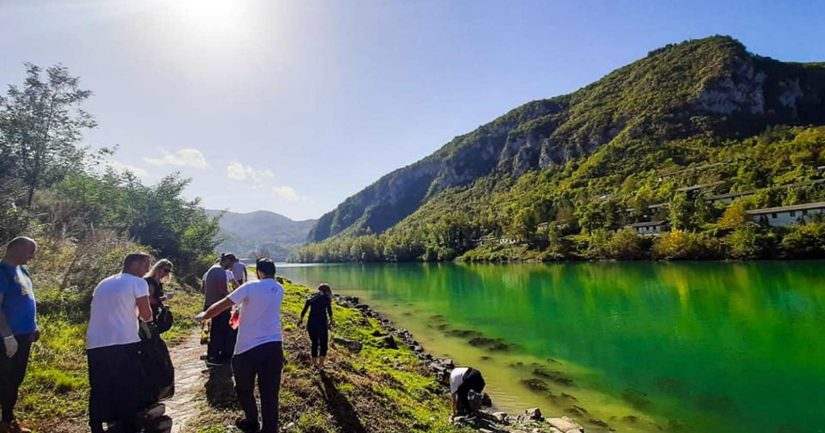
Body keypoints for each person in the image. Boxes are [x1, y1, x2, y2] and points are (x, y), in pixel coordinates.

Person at [196, 258, 284, 433]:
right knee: (270, 393)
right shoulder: (279, 288)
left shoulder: (250, 287)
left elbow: (223, 304)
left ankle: (252, 421)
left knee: (244, 388)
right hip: (274, 346)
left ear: (259, 271)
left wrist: (205, 315)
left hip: (247, 348)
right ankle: (270, 428)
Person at [86, 252, 154, 433]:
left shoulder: (104, 282)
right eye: (146, 264)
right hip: (124, 340)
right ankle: (128, 424)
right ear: (134, 264)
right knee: (127, 383)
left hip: (95, 341)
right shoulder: (138, 283)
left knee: (99, 385)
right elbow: (147, 315)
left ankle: (96, 424)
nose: (148, 269)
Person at [0, 237, 38, 433]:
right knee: (5, 379)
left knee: (16, 378)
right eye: (30, 251)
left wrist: (34, 326)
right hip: (7, 337)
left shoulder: (23, 270)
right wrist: (7, 336)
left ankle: (8, 418)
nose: (32, 256)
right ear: (15, 249)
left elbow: (28, 299)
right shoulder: (2, 272)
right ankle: (6, 422)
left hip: (24, 336)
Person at [141, 259, 175, 402]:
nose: (165, 273)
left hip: (153, 319)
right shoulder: (148, 282)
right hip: (146, 321)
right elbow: (147, 300)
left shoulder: (156, 283)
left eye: (168, 271)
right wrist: (164, 298)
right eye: (164, 270)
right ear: (158, 268)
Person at [202, 253, 237, 365]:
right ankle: (214, 357)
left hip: (211, 304)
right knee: (219, 332)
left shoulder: (213, 269)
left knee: (216, 331)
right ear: (226, 260)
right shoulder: (219, 271)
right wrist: (233, 299)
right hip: (217, 306)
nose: (231, 266)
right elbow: (222, 290)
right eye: (231, 263)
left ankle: (215, 355)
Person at [297, 284, 334, 369]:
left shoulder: (311, 298)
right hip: (322, 324)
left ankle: (314, 364)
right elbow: (329, 311)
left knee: (314, 343)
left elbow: (304, 310)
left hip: (311, 323)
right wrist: (332, 321)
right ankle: (321, 364)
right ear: (327, 291)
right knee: (323, 344)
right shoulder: (326, 299)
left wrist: (300, 320)